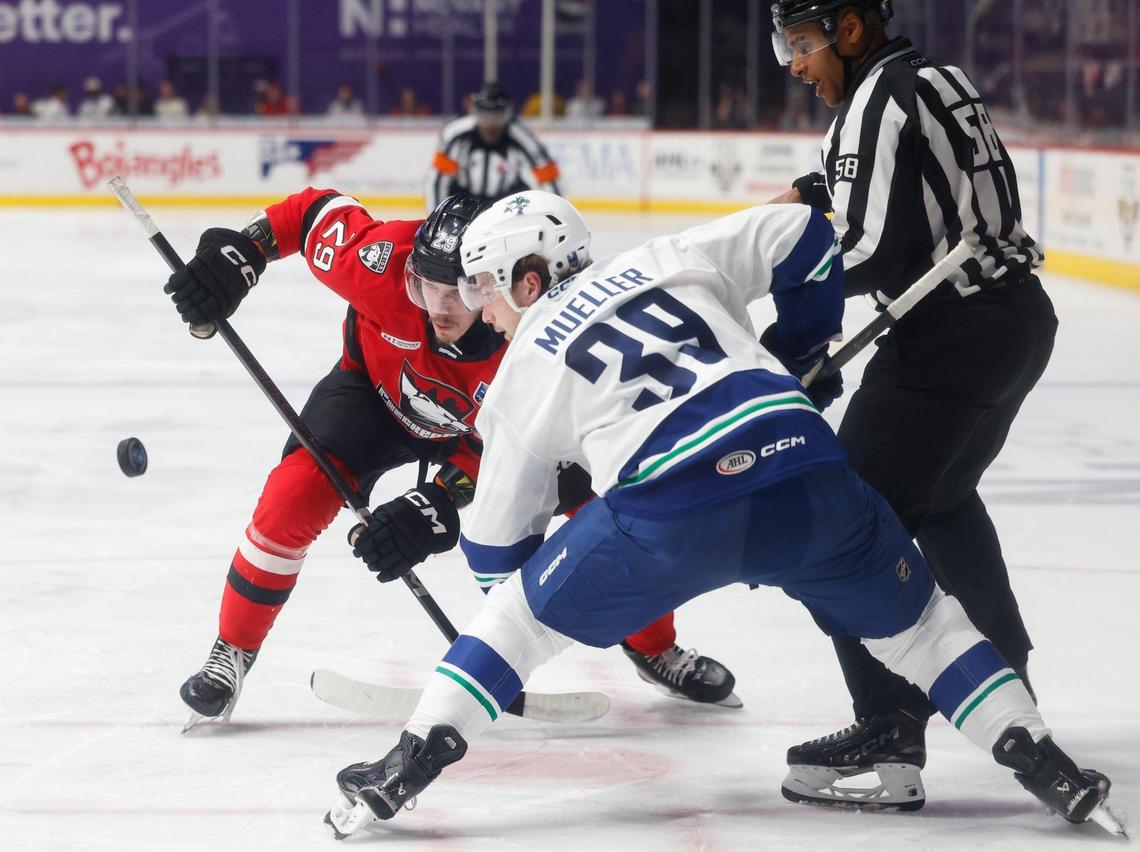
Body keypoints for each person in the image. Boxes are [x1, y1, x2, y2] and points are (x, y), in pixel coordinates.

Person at [322, 190, 1120, 839]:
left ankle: (408, 765)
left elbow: (496, 554)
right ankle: (1047, 764)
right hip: (809, 474)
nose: (477, 308)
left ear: (530, 279)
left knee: (513, 623)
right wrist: (805, 351)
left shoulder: (526, 364)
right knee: (926, 631)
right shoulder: (666, 257)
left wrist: (539, 584)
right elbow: (806, 234)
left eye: (485, 287)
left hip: (669, 512)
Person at [165, 191, 734, 731]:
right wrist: (242, 252)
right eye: (424, 286)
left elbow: (524, 454)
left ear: (493, 284)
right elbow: (311, 214)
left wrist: (438, 499)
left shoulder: (535, 339)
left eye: (458, 291)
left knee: (602, 509)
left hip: (497, 439)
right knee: (292, 496)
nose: (438, 306)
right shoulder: (380, 261)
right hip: (371, 399)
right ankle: (231, 652)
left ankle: (655, 647)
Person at [766, 0, 1060, 810]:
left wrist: (769, 294)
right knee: (941, 498)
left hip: (946, 345)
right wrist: (810, 187)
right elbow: (914, 176)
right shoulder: (933, 78)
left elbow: (867, 249)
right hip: (1015, 325)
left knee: (833, 527)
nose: (793, 63)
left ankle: (889, 723)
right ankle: (1005, 678)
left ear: (850, 30)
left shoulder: (874, 100)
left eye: (801, 43)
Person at [424, 81, 561, 213]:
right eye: (485, 116)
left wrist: (556, 216)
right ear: (475, 112)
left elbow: (548, 177)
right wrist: (435, 220)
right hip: (462, 207)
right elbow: (437, 181)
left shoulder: (522, 138)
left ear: (507, 113)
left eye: (496, 116)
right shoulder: (454, 134)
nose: (490, 125)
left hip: (505, 209)